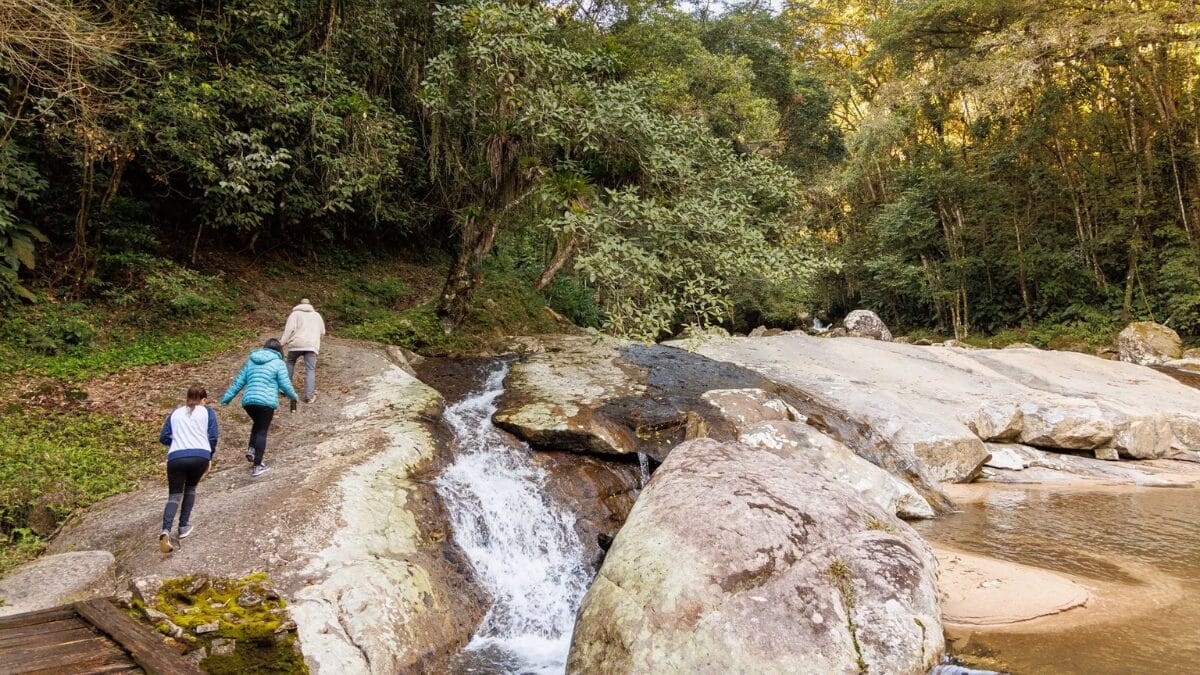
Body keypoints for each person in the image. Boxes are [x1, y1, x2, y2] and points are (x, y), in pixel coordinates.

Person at [220, 338, 298, 477]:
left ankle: (251, 449)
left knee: (257, 424)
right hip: (266, 403)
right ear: (279, 350)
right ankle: (257, 465)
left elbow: (238, 382)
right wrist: (294, 396)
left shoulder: (251, 360)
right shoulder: (279, 363)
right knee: (262, 430)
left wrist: (226, 399)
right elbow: (285, 385)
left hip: (249, 402)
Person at [158, 385, 218, 553]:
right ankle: (183, 526)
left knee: (174, 495)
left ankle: (166, 530)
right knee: (190, 488)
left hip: (176, 457)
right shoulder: (207, 412)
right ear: (203, 400)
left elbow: (163, 437)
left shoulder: (175, 413)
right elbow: (213, 436)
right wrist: (209, 456)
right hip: (200, 454)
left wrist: (177, 442)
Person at [281, 298, 326, 403]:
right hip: (311, 345)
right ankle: (309, 396)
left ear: (299, 304)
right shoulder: (317, 316)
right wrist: (316, 341)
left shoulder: (295, 314)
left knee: (290, 363)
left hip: (296, 344)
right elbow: (323, 332)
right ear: (310, 305)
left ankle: (285, 389)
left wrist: (282, 343)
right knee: (310, 369)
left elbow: (288, 330)